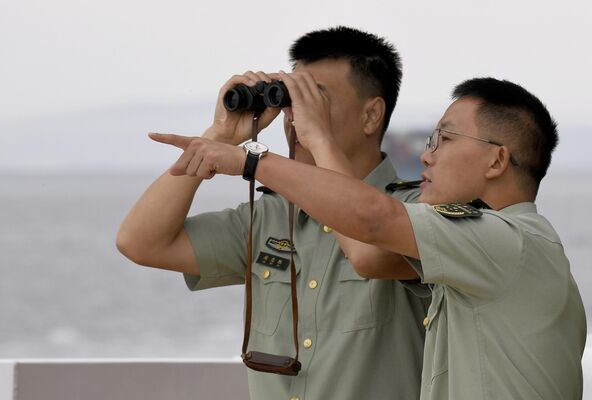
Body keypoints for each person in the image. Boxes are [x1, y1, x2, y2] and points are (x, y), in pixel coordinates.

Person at [163, 77, 587, 399]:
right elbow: (366, 247)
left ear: (497, 160)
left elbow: (372, 220)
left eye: (444, 138)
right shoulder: (494, 246)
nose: (426, 154)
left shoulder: (507, 240)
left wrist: (253, 160)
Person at [117, 26, 430, 400]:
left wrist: (316, 139)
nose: (295, 118)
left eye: (314, 100)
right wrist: (219, 136)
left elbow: (369, 247)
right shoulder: (269, 217)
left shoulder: (417, 215)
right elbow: (140, 242)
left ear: (371, 115)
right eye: (291, 101)